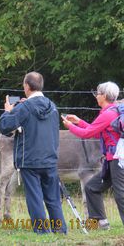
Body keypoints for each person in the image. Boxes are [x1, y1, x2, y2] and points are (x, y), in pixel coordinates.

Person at [0, 72, 67, 234]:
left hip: (29, 160)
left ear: (27, 86)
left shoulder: (24, 108)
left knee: (35, 197)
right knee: (53, 198)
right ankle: (60, 229)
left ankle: (42, 231)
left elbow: (5, 127)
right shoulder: (53, 106)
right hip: (50, 159)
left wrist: (8, 111)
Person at [62, 81, 123, 230]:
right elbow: (94, 129)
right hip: (111, 159)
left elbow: (87, 134)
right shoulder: (111, 112)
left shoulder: (108, 114)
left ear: (104, 96)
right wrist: (79, 121)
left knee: (120, 194)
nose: (96, 96)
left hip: (117, 159)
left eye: (97, 93)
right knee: (92, 187)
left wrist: (71, 127)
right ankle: (100, 222)